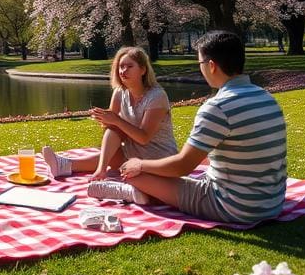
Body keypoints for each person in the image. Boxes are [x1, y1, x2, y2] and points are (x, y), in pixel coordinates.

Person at [100, 31, 288, 224]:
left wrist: (139, 164)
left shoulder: (217, 107)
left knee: (135, 175)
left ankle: (137, 192)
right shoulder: (267, 98)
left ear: (212, 66)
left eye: (200, 64)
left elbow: (182, 166)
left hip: (234, 206)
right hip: (273, 203)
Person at [41, 46, 178, 180]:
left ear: (143, 70)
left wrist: (116, 120)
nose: (123, 71)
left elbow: (144, 137)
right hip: (133, 154)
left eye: (129, 66)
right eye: (120, 66)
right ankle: (77, 167)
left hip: (160, 159)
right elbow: (112, 128)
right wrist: (104, 119)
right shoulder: (120, 92)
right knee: (112, 133)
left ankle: (67, 165)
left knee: (115, 129)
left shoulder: (156, 96)